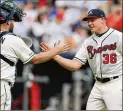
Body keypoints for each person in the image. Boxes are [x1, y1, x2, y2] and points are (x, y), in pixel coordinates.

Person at [40, 9, 122, 110]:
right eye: (88, 21)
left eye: (93, 20)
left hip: (115, 84)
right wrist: (54, 55)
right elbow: (75, 65)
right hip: (97, 85)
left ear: (102, 20)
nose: (90, 23)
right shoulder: (88, 42)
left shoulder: (118, 37)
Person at [0, 1, 70, 110]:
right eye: (12, 20)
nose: (13, 23)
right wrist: (56, 50)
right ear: (8, 21)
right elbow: (35, 59)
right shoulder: (12, 39)